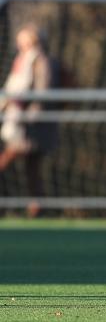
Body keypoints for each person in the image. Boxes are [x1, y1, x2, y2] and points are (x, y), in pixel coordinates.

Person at [0, 24, 58, 218]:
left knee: (12, 163)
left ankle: (37, 210)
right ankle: (37, 210)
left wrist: (28, 116)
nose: (19, 44)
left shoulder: (41, 62)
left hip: (32, 129)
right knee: (32, 171)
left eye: (22, 40)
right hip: (20, 125)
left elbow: (43, 95)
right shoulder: (21, 61)